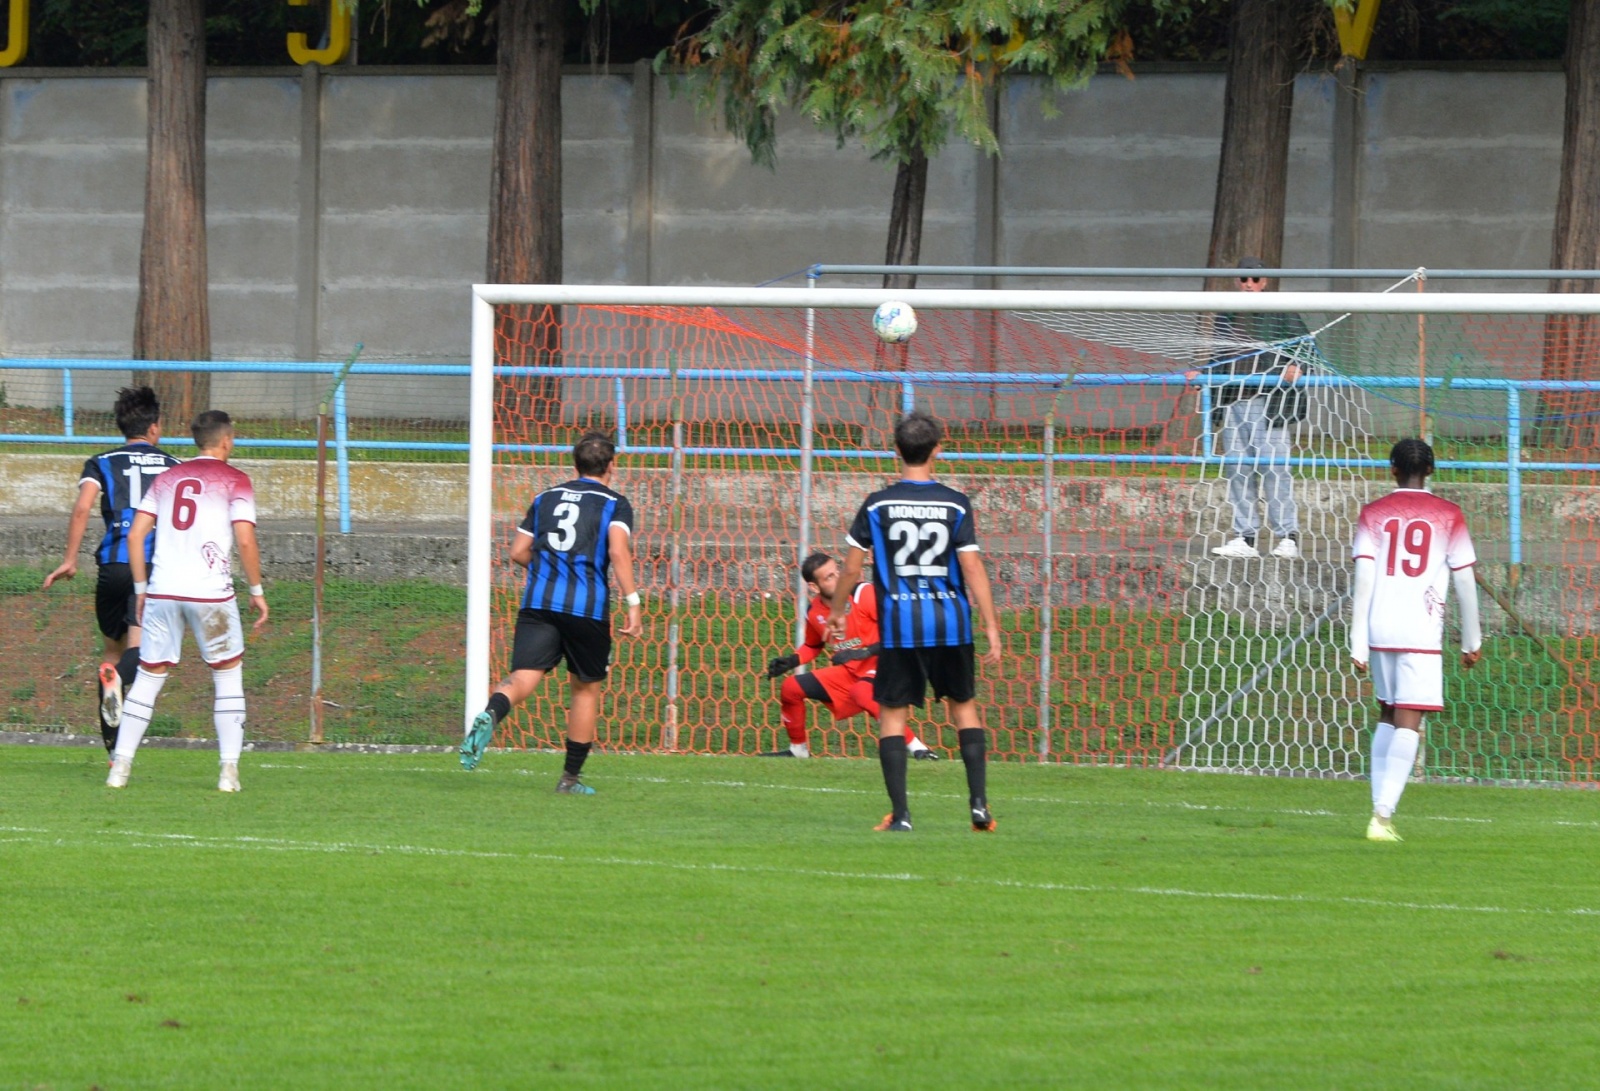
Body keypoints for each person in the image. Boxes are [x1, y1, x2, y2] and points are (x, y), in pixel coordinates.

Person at [830, 411, 1003, 832]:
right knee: (964, 708)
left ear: (895, 452)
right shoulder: (955, 502)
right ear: (937, 451)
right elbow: (974, 568)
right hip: (952, 623)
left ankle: (902, 816)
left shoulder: (877, 504)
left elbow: (852, 570)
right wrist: (992, 626)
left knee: (893, 715)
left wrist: (838, 611)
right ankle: (979, 806)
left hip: (902, 624)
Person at [461, 432, 643, 793]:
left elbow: (517, 551)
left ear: (575, 464)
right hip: (587, 608)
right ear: (611, 466)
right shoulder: (615, 503)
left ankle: (492, 713)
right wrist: (633, 603)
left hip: (538, 604)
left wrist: (548, 571)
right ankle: (569, 779)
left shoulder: (545, 498)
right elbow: (619, 552)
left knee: (522, 678)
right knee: (584, 690)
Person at [107, 410, 268, 792]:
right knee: (227, 675)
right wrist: (257, 591)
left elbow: (135, 537)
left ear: (198, 441)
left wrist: (143, 590)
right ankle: (228, 772)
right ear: (227, 440)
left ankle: (120, 769)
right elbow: (245, 539)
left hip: (163, 591)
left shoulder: (167, 477)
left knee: (149, 677)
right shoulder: (236, 480)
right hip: (210, 593)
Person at [1349, 438, 1483, 842]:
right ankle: (1383, 815)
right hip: (1420, 631)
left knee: (1388, 713)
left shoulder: (1373, 513)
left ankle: (1378, 809)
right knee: (1410, 719)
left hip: (1379, 628)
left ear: (1392, 470)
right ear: (1432, 471)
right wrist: (1472, 640)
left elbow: (1364, 579)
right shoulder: (1449, 514)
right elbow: (1464, 580)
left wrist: (1357, 641)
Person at [42, 386, 183, 751]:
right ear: (154, 427)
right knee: (140, 659)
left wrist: (70, 559)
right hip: (148, 570)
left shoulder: (101, 461)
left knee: (111, 652)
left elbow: (82, 507)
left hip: (110, 567)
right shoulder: (173, 467)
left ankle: (112, 750)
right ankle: (118, 688)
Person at [761, 552, 936, 760]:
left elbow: (899, 632)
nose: (839, 578)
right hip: (852, 673)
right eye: (829, 577)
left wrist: (864, 652)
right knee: (791, 688)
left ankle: (919, 749)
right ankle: (798, 751)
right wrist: (791, 661)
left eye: (838, 571)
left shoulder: (864, 593)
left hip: (886, 664)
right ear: (814, 587)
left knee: (862, 691)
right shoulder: (814, 612)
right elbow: (812, 645)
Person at [1189, 257, 1309, 560]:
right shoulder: (1226, 314)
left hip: (1268, 402)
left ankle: (1287, 536)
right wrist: (1202, 374)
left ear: (1265, 282)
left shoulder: (1280, 312)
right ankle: (1245, 536)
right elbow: (1221, 356)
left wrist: (1297, 367)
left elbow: (1304, 348)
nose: (1249, 285)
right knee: (1238, 469)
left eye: (1255, 280)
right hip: (1233, 400)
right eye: (1244, 279)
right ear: (1236, 282)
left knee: (1274, 468)